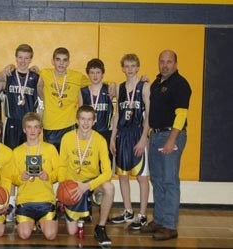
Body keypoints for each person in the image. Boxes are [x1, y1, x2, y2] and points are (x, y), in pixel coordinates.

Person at [140, 50, 191, 241]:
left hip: (171, 135)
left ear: (176, 64)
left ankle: (170, 226)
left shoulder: (180, 84)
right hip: (156, 135)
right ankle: (160, 220)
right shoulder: (157, 83)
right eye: (162, 61)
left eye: (169, 62)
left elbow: (182, 115)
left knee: (170, 181)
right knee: (158, 180)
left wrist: (172, 139)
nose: (165, 65)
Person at [0, 44, 40, 222]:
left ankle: (26, 202)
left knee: (28, 163)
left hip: (30, 126)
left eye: (27, 58)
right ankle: (10, 203)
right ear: (15, 57)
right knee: (11, 165)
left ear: (31, 59)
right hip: (12, 123)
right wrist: (1, 72)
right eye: (20, 57)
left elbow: (45, 91)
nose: (23, 61)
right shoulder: (9, 75)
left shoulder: (36, 77)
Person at [59, 105, 115, 246]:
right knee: (72, 232)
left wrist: (87, 186)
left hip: (91, 183)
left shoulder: (100, 140)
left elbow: (108, 172)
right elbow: (61, 166)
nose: (86, 123)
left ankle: (101, 227)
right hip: (73, 183)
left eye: (89, 119)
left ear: (94, 121)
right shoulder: (67, 138)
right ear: (77, 120)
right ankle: (77, 207)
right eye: (83, 119)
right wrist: (63, 185)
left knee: (109, 188)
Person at [109, 54, 150, 230]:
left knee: (141, 177)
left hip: (137, 133)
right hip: (122, 135)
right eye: (127, 66)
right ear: (123, 68)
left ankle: (142, 214)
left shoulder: (145, 87)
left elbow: (149, 115)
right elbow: (117, 114)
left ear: (138, 67)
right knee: (123, 175)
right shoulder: (119, 88)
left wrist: (143, 139)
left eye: (133, 66)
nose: (130, 69)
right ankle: (128, 211)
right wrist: (112, 137)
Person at [12, 112, 60, 240]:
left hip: (45, 200)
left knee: (50, 235)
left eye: (36, 127)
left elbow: (60, 172)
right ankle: (31, 222)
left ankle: (41, 222)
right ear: (24, 129)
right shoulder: (16, 152)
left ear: (40, 129)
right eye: (29, 127)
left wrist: (48, 176)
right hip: (25, 201)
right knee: (24, 235)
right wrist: (21, 178)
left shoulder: (50, 149)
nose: (32, 130)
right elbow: (12, 177)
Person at [79, 58, 114, 220]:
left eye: (98, 72)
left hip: (105, 135)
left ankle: (99, 198)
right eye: (92, 72)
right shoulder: (83, 91)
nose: (95, 75)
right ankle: (85, 207)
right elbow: (79, 115)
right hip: (87, 137)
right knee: (86, 169)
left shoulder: (111, 89)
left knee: (103, 172)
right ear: (88, 73)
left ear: (102, 73)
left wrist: (113, 138)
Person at [37, 47, 90, 152]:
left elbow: (95, 82)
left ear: (68, 62)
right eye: (58, 59)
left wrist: (111, 84)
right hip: (50, 125)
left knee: (68, 161)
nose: (61, 63)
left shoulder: (77, 77)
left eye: (65, 60)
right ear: (52, 61)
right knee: (51, 161)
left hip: (69, 125)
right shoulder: (44, 74)